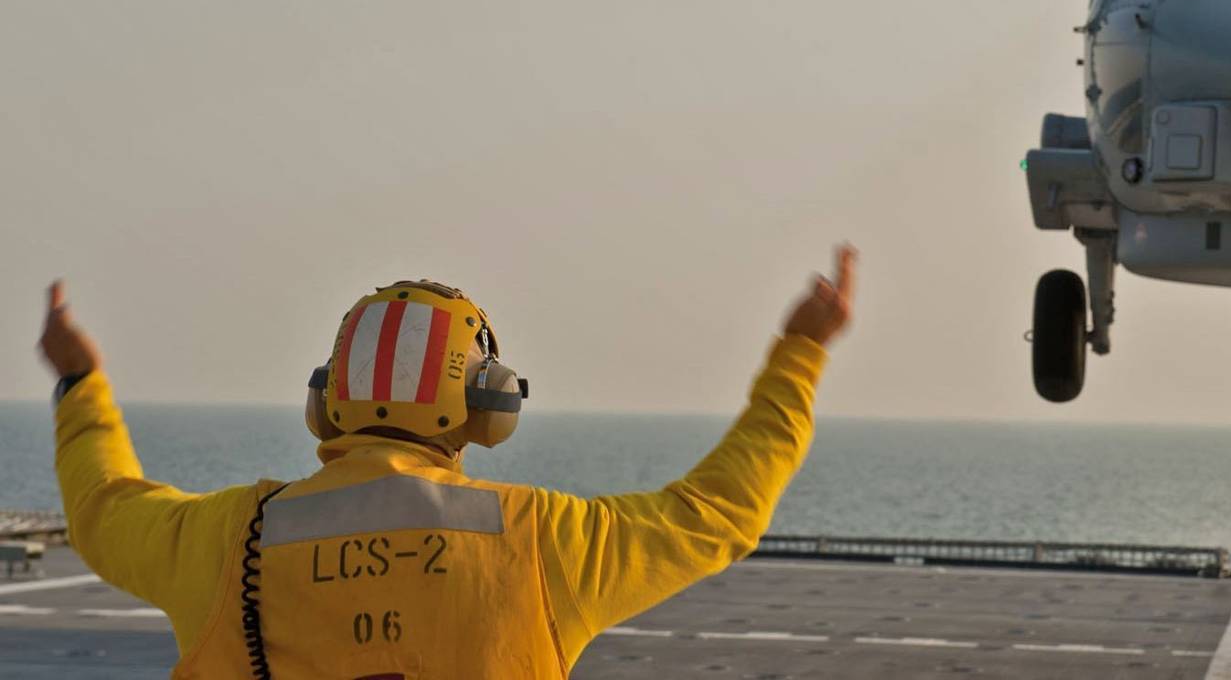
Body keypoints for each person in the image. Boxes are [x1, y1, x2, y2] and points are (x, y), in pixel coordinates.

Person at [37, 245, 857, 678]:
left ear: (329, 398)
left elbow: (104, 507)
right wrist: (800, 353)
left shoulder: (222, 542)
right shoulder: (543, 541)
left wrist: (80, 381)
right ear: (488, 403)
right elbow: (719, 510)